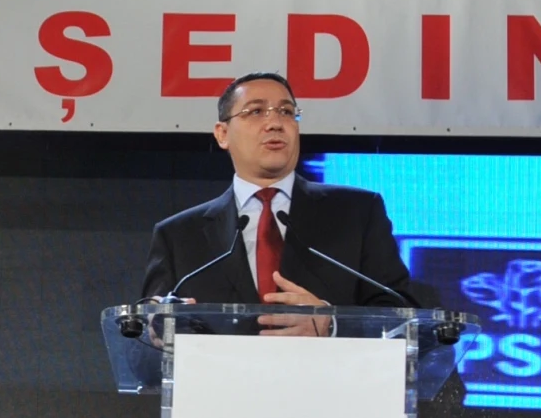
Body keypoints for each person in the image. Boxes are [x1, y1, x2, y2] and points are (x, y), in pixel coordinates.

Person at [140, 72, 422, 332]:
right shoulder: (178, 236)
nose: (275, 123)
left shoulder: (358, 213)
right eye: (256, 111)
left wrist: (333, 327)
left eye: (286, 112)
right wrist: (155, 334)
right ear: (222, 134)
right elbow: (144, 347)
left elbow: (405, 320)